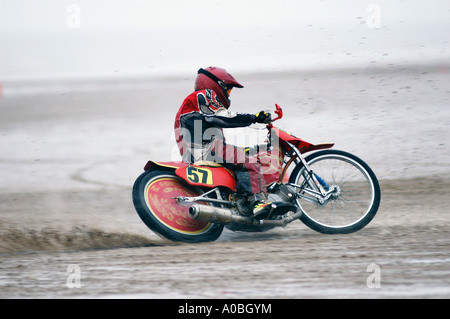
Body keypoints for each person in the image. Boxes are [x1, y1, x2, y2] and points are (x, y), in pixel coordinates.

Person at [174, 66, 275, 219]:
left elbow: (220, 142)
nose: (228, 94)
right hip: (204, 151)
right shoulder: (204, 95)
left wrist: (246, 149)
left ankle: (239, 205)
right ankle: (257, 202)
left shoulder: (201, 109)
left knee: (245, 157)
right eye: (228, 89)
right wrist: (254, 118)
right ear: (216, 84)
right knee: (248, 161)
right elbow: (225, 117)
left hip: (197, 153)